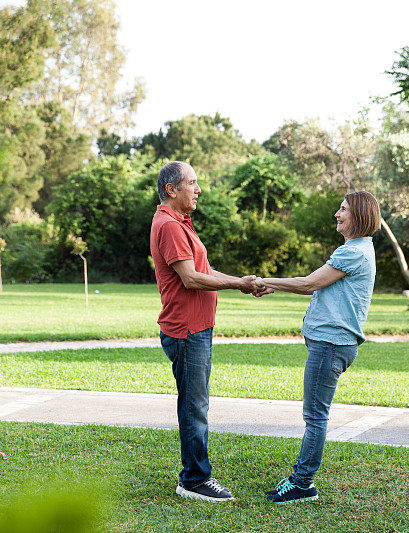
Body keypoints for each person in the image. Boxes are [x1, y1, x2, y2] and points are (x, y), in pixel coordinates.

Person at [253, 190, 381, 504]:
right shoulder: (358, 249)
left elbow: (310, 282)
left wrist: (266, 280)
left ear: (359, 215)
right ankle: (301, 481)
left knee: (315, 417)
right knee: (315, 415)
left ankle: (302, 484)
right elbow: (317, 285)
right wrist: (274, 285)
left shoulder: (352, 252)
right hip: (333, 344)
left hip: (330, 345)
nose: (337, 214)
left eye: (343, 209)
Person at [150, 161, 260, 502]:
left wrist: (244, 283)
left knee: (196, 402)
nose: (198, 189)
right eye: (192, 183)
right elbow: (191, 278)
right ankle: (194, 479)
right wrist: (238, 284)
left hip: (197, 328)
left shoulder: (181, 224)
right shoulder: (168, 225)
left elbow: (205, 269)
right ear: (172, 189)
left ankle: (193, 475)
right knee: (194, 406)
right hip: (186, 330)